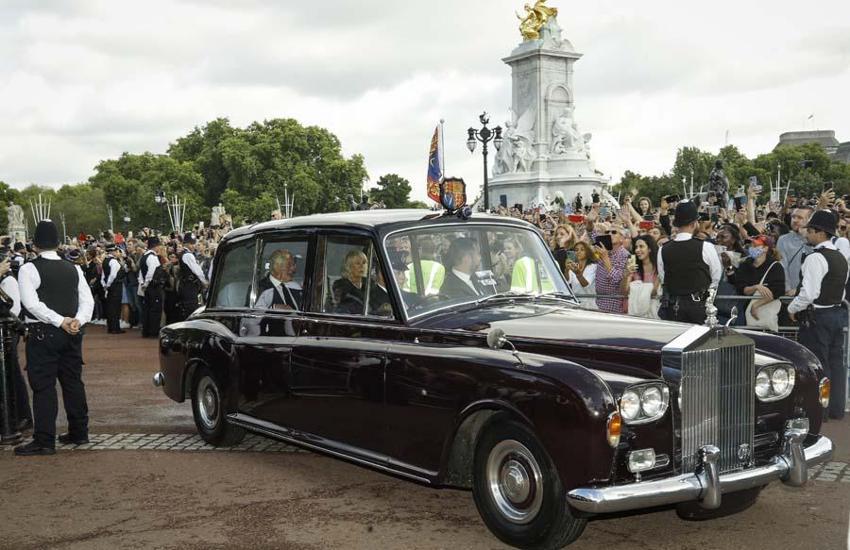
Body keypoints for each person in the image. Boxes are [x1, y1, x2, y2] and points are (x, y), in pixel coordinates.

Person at [15, 220, 93, 456]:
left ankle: (44, 440)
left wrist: (61, 321)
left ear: (35, 244)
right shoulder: (74, 268)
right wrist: (76, 321)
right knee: (73, 382)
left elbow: (31, 304)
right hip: (72, 333)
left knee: (43, 386)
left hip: (44, 333)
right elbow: (87, 301)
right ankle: (79, 432)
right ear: (58, 242)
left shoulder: (28, 269)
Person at [788, 210, 848, 421]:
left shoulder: (816, 258)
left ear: (819, 233)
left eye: (810, 231)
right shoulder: (841, 257)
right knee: (836, 364)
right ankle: (836, 409)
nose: (807, 234)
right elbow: (840, 291)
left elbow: (809, 293)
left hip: (817, 318)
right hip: (836, 314)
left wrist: (792, 309)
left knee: (818, 365)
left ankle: (819, 411)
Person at [657, 201, 722, 324]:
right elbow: (716, 278)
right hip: (699, 308)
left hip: (673, 308)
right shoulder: (706, 247)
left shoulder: (663, 249)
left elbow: (663, 278)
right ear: (694, 223)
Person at [0, 254, 31, 432]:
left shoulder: (9, 280)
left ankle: (22, 416)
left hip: (8, 331)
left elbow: (13, 307)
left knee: (12, 373)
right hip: (7, 329)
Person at [727, 235, 785, 328]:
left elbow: (778, 291)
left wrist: (756, 305)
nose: (752, 248)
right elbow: (741, 287)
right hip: (743, 314)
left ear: (765, 248)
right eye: (751, 245)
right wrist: (756, 287)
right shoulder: (745, 264)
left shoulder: (775, 266)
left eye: (755, 245)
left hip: (763, 315)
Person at [777, 205, 813, 296]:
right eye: (793, 217)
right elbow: (782, 266)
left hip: (812, 293)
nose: (795, 220)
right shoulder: (783, 239)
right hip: (790, 295)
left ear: (810, 220)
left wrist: (806, 238)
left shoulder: (817, 240)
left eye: (800, 218)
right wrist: (787, 289)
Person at [594, 227, 630, 313]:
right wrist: (590, 222)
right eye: (607, 232)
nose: (609, 234)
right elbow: (591, 233)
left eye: (614, 232)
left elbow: (618, 280)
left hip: (614, 305)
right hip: (598, 303)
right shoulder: (603, 251)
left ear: (622, 239)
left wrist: (605, 258)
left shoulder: (626, 256)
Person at [623, 235, 660, 318]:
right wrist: (626, 275)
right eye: (636, 247)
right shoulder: (632, 266)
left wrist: (636, 287)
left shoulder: (659, 268)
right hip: (633, 313)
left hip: (653, 314)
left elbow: (654, 292)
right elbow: (624, 292)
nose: (637, 250)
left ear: (650, 249)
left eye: (641, 246)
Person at [177, 234, 209, 321]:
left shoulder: (183, 253)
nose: (193, 245)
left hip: (185, 285)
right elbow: (197, 271)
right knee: (192, 308)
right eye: (191, 243)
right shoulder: (188, 255)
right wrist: (205, 282)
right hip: (189, 286)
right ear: (186, 244)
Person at [139, 236, 166, 338]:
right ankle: (153, 332)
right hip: (153, 287)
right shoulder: (152, 257)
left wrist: (143, 284)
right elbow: (151, 273)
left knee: (147, 309)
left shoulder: (144, 256)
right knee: (155, 310)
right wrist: (146, 283)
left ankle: (146, 331)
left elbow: (141, 273)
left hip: (147, 287)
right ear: (156, 246)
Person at [333, 249, 368, 314]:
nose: (362, 266)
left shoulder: (370, 284)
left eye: (364, 263)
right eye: (358, 263)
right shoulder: (341, 286)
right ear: (348, 266)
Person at [100, 243, 125, 334]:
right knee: (115, 307)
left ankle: (111, 327)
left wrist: (104, 285)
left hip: (108, 286)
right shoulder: (114, 261)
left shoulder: (105, 260)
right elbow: (113, 275)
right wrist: (109, 284)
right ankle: (115, 328)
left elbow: (103, 275)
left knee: (110, 307)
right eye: (116, 251)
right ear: (113, 251)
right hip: (115, 286)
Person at [564, 241, 597, 308]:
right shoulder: (574, 265)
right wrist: (567, 270)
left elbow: (587, 285)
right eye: (576, 250)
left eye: (582, 250)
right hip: (575, 303)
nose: (578, 252)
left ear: (587, 252)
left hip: (589, 304)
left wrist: (578, 274)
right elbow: (567, 281)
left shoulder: (593, 266)